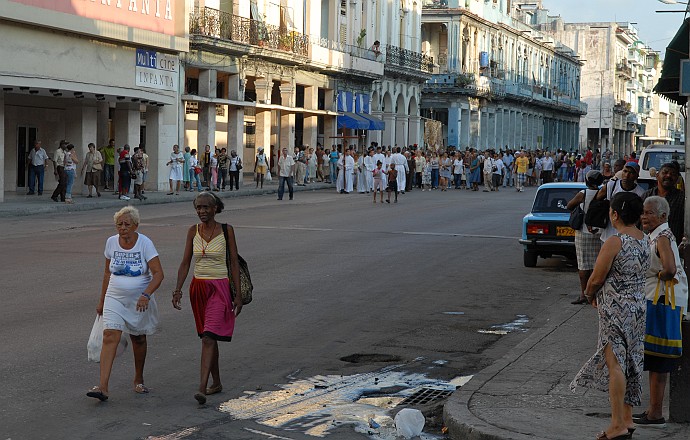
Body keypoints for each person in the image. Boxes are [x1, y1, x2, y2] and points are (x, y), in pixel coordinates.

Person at [570, 192, 650, 440]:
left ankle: (616, 424)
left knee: (615, 363)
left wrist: (589, 293)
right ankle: (627, 418)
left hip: (616, 310)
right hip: (637, 308)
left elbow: (596, 277)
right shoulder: (645, 240)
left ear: (615, 214)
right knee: (631, 363)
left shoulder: (615, 242)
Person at [87, 206, 164, 402]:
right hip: (115, 296)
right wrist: (102, 300)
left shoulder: (145, 243)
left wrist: (146, 294)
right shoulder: (111, 242)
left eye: (126, 224)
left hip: (139, 299)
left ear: (135, 226)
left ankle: (138, 379)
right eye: (119, 224)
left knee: (138, 339)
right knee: (109, 335)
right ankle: (103, 387)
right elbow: (107, 273)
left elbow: (158, 274)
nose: (122, 228)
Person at [172, 193, 242, 404]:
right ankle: (217, 382)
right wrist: (178, 290)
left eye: (205, 207)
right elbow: (185, 262)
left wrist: (237, 295)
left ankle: (202, 388)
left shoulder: (226, 230)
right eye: (198, 208)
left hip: (219, 288)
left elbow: (234, 264)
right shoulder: (193, 231)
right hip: (198, 288)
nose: (201, 211)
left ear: (215, 208)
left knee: (208, 338)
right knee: (208, 336)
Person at [636, 196, 688, 427]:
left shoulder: (663, 238)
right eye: (643, 213)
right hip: (662, 301)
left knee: (658, 359)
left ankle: (655, 412)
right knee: (656, 359)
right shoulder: (658, 235)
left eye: (648, 213)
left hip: (662, 303)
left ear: (663, 216)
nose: (644, 217)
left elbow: (669, 269)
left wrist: (654, 277)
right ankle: (652, 410)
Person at [567, 170, 604, 304]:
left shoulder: (583, 194)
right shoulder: (604, 193)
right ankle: (596, 294)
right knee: (598, 265)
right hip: (600, 233)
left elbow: (569, 206)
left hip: (583, 233)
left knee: (583, 265)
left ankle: (584, 294)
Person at [595, 162, 645, 243]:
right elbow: (596, 201)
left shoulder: (640, 193)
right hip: (608, 236)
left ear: (636, 176)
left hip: (628, 239)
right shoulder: (611, 186)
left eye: (631, 173)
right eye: (625, 171)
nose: (627, 175)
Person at [641, 162, 684, 245]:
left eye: (673, 174)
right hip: (647, 244)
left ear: (677, 178)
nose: (668, 176)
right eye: (665, 172)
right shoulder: (646, 195)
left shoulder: (682, 198)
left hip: (671, 244)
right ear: (657, 176)